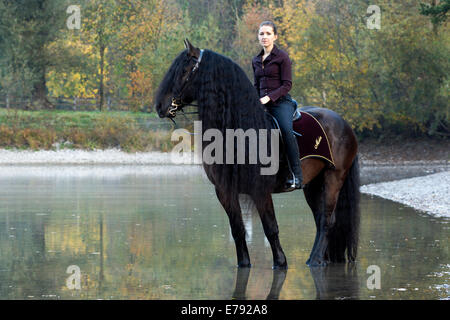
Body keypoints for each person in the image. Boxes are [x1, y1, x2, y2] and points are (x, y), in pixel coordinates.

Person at [252, 20, 303, 190]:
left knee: (286, 132)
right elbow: (256, 85)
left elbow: (287, 85)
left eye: (268, 33)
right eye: (261, 34)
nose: (264, 37)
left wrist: (268, 98)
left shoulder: (282, 57)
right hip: (261, 105)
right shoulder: (256, 60)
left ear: (275, 36)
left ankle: (297, 176)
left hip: (281, 103)